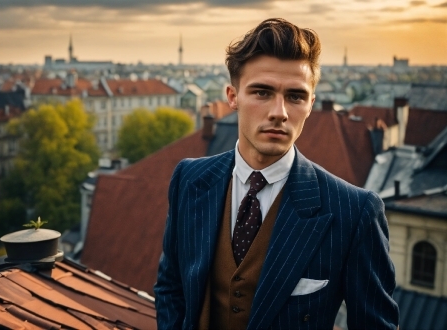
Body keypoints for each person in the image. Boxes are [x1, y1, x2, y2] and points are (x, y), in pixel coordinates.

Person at [154, 18, 399, 329]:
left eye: (295, 96)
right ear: (232, 96)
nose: (279, 112)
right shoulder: (189, 180)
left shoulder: (353, 212)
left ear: (311, 103)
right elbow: (170, 289)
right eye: (262, 92)